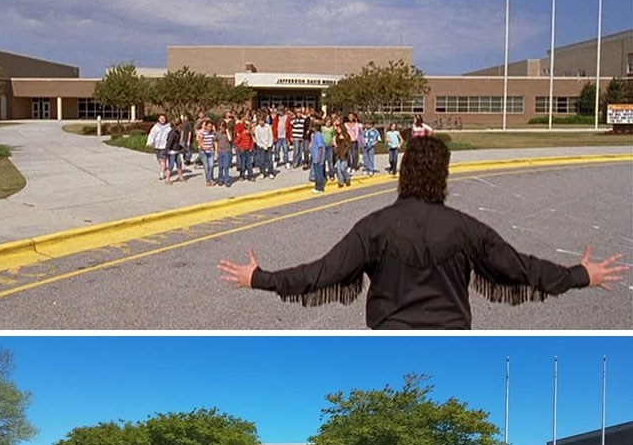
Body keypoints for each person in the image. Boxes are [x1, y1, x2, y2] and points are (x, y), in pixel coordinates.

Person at [218, 136, 626, 330]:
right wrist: (580, 275)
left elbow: (321, 273)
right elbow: (520, 268)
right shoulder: (466, 229)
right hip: (450, 339)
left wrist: (260, 278)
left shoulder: (374, 227)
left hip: (391, 338)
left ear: (404, 173)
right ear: (443, 176)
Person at [145, 114, 171, 180]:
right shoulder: (156, 127)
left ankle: (162, 173)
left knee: (163, 159)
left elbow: (171, 136)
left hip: (164, 146)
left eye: (164, 118)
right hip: (157, 146)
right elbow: (152, 134)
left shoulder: (168, 127)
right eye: (161, 119)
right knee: (159, 159)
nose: (162, 120)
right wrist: (149, 142)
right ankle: (164, 169)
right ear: (158, 119)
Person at [164, 118, 186, 184]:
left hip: (177, 150)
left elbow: (178, 141)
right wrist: (166, 151)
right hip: (172, 151)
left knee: (179, 164)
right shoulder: (173, 132)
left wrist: (180, 147)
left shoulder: (178, 132)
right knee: (171, 165)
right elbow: (169, 142)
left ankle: (180, 176)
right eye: (181, 124)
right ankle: (167, 179)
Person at [332, 119, 352, 188]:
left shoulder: (346, 136)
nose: (337, 130)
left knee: (343, 168)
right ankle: (341, 182)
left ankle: (347, 178)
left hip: (344, 155)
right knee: (338, 169)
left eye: (339, 128)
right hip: (338, 154)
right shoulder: (337, 136)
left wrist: (343, 140)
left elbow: (348, 145)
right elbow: (336, 144)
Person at [309, 121, 326, 194]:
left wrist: (319, 157)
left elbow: (320, 147)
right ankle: (317, 186)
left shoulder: (318, 135)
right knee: (317, 173)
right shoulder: (316, 135)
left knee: (318, 173)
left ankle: (319, 187)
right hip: (315, 157)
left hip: (318, 158)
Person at [198, 119, 216, 186]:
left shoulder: (213, 133)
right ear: (206, 126)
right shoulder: (203, 133)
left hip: (211, 151)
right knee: (206, 166)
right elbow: (200, 142)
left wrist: (216, 151)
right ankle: (208, 180)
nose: (209, 128)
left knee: (211, 165)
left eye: (211, 126)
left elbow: (215, 142)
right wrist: (203, 147)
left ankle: (211, 178)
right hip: (204, 152)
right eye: (208, 126)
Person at [215, 120, 233, 187]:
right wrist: (216, 152)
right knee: (220, 167)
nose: (221, 127)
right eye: (220, 126)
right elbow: (216, 143)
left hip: (227, 151)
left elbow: (230, 139)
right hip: (220, 151)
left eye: (223, 126)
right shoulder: (217, 133)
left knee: (226, 166)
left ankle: (227, 180)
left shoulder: (228, 133)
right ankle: (220, 179)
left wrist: (227, 131)